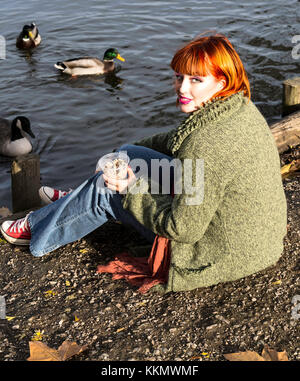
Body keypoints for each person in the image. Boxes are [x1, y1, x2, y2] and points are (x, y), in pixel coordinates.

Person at [1, 34, 287, 293]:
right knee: (128, 154)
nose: (182, 87)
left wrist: (130, 189)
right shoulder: (240, 108)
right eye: (179, 76)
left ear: (221, 82)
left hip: (215, 250)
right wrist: (123, 152)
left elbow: (182, 230)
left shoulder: (204, 146)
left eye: (196, 80)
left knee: (107, 190)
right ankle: (73, 202)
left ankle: (36, 232)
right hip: (256, 240)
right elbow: (176, 139)